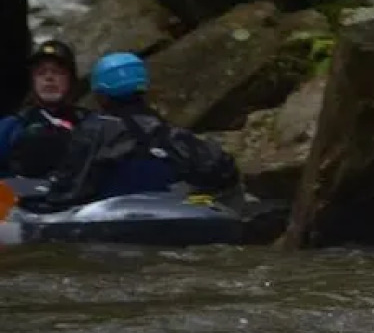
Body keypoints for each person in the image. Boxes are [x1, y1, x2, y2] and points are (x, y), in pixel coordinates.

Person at [20, 52, 239, 213]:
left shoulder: (95, 129)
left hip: (115, 212)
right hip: (167, 207)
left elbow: (72, 188)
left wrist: (35, 203)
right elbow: (220, 168)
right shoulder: (164, 129)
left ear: (100, 94)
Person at [0, 40, 84, 179]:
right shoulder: (10, 128)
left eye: (58, 72)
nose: (49, 78)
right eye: (41, 72)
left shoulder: (92, 124)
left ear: (71, 79)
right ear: (32, 81)